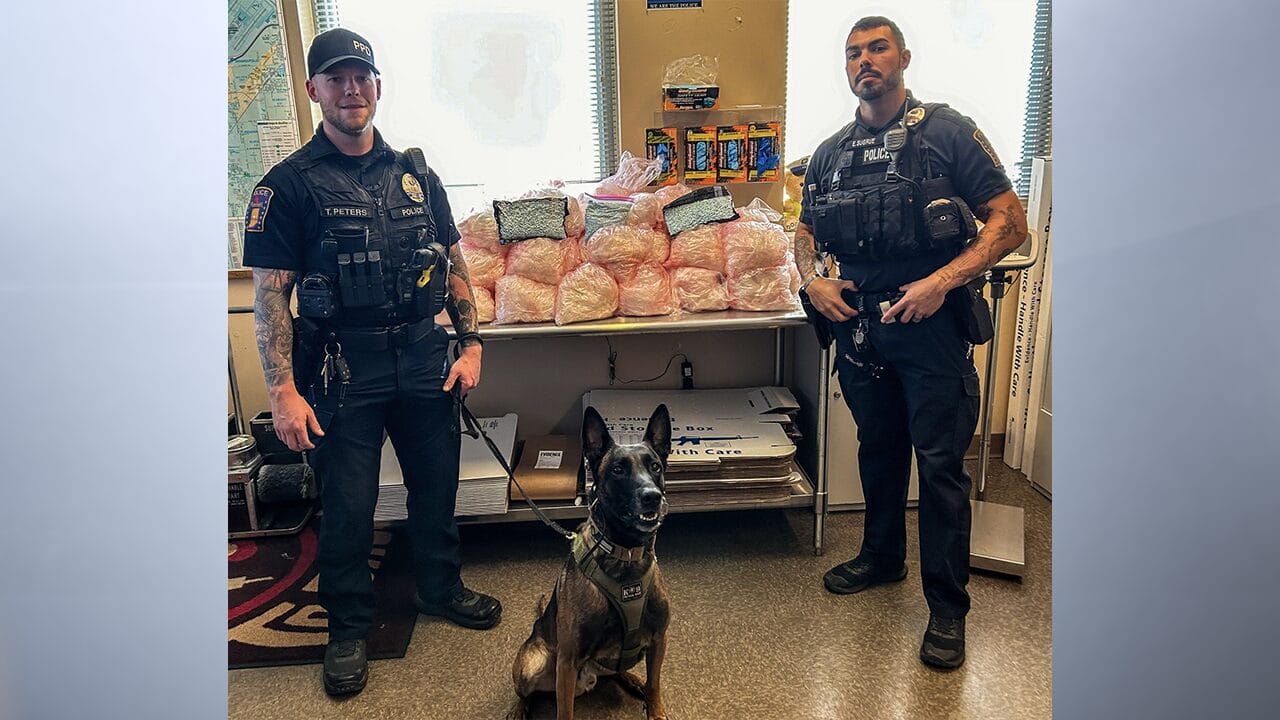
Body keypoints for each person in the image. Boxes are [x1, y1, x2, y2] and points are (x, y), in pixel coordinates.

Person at [242, 27, 501, 696]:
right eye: (336, 77)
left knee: (436, 489)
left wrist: (470, 343)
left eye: (362, 76)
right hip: (339, 369)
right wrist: (282, 392)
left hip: (421, 357)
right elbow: (270, 295)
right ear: (315, 91)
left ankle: (440, 590)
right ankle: (348, 629)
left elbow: (453, 261)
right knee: (350, 507)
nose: (351, 88)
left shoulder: (417, 175)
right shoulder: (286, 187)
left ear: (378, 87)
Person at [794, 16, 1028, 669]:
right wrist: (814, 282)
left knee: (942, 468)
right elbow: (805, 234)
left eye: (876, 49)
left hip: (931, 328)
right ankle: (882, 556)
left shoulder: (947, 134)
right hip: (862, 329)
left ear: (902, 57)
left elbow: (1013, 224)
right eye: (853, 54)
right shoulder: (830, 154)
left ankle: (948, 612)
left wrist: (940, 282)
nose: (863, 61)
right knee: (879, 448)